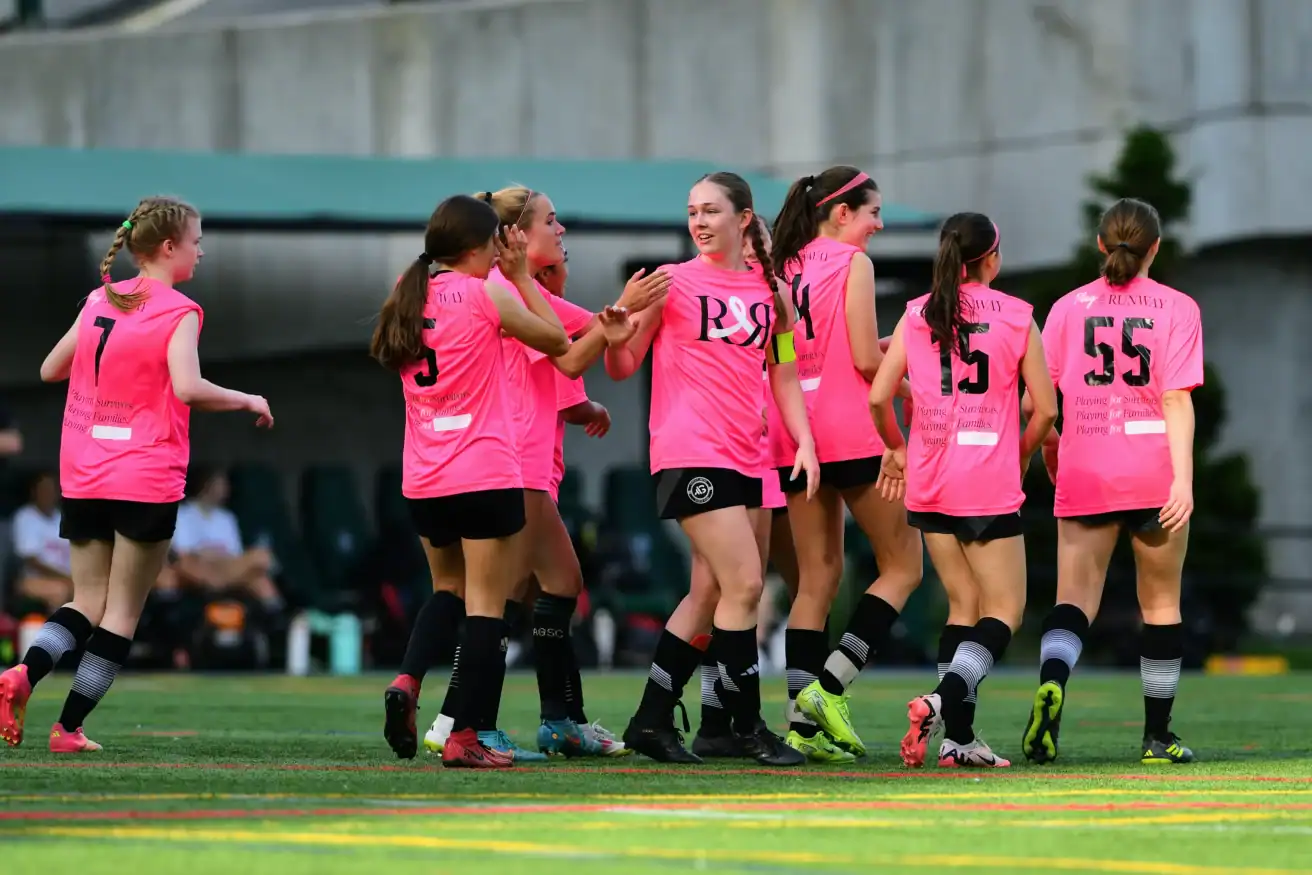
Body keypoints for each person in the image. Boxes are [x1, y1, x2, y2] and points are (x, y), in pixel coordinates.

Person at [0, 196, 273, 751]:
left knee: (85, 599)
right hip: (144, 472)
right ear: (168, 248)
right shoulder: (180, 310)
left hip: (83, 467)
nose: (201, 251)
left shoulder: (100, 299)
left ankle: (22, 675)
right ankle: (68, 728)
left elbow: (52, 369)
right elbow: (188, 388)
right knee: (122, 610)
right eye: (196, 241)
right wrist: (248, 398)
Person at [411, 192, 666, 762]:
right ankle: (464, 720)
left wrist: (618, 324)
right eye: (550, 221)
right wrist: (620, 318)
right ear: (515, 236)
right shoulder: (497, 295)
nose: (562, 228)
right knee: (503, 596)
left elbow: (592, 341)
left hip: (509, 466)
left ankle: (553, 721)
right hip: (509, 465)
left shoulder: (509, 292)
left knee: (539, 587)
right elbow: (572, 351)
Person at [373, 194, 616, 768]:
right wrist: (518, 278)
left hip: (423, 476)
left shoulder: (407, 296)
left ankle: (408, 680)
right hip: (483, 469)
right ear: (484, 247)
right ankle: (465, 737)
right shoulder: (487, 292)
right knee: (487, 608)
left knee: (447, 591)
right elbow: (561, 344)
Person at [608, 171, 819, 766]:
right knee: (746, 583)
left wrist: (802, 439)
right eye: (692, 212)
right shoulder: (670, 282)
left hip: (748, 454)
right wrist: (618, 330)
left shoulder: (771, 295)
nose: (698, 222)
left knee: (709, 592)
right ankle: (749, 727)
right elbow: (624, 365)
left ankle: (657, 721)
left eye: (711, 211)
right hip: (689, 449)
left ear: (744, 219)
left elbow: (782, 372)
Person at [869, 212, 1056, 768]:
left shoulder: (915, 314)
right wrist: (1019, 454)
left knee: (963, 606)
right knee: (1006, 611)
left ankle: (958, 740)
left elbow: (880, 397)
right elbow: (1046, 408)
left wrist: (898, 448)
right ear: (992, 259)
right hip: (986, 480)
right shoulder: (1019, 317)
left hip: (930, 477)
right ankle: (939, 702)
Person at [1021, 198, 1201, 766]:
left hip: (1087, 462)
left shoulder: (1068, 308)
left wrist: (1050, 452)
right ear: (1155, 247)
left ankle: (1053, 684)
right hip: (1153, 469)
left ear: (1101, 245)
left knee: (1073, 602)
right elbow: (1175, 398)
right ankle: (1157, 735)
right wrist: (1184, 482)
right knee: (1161, 602)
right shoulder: (1178, 307)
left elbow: (1041, 402)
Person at [762, 167, 924, 759]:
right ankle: (830, 686)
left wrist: (890, 356)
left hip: (793, 432)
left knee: (817, 578)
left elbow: (788, 353)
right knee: (904, 566)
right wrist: (911, 384)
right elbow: (861, 358)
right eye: (872, 212)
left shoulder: (783, 265)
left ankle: (801, 728)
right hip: (853, 431)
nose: (878, 224)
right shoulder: (852, 263)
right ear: (840, 212)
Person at [173, 467, 283, 615]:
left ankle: (280, 622)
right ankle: (217, 584)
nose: (226, 488)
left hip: (227, 568)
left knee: (261, 574)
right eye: (221, 483)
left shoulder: (227, 518)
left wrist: (211, 553)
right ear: (206, 485)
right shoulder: (183, 514)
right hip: (198, 572)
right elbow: (184, 553)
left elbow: (234, 554)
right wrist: (212, 554)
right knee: (188, 566)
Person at [10, 472, 73, 611]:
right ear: (34, 492)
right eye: (44, 489)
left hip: (67, 579)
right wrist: (66, 577)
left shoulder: (61, 517)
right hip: (31, 580)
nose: (48, 494)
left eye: (52, 490)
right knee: (60, 591)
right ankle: (52, 632)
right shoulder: (25, 517)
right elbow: (32, 561)